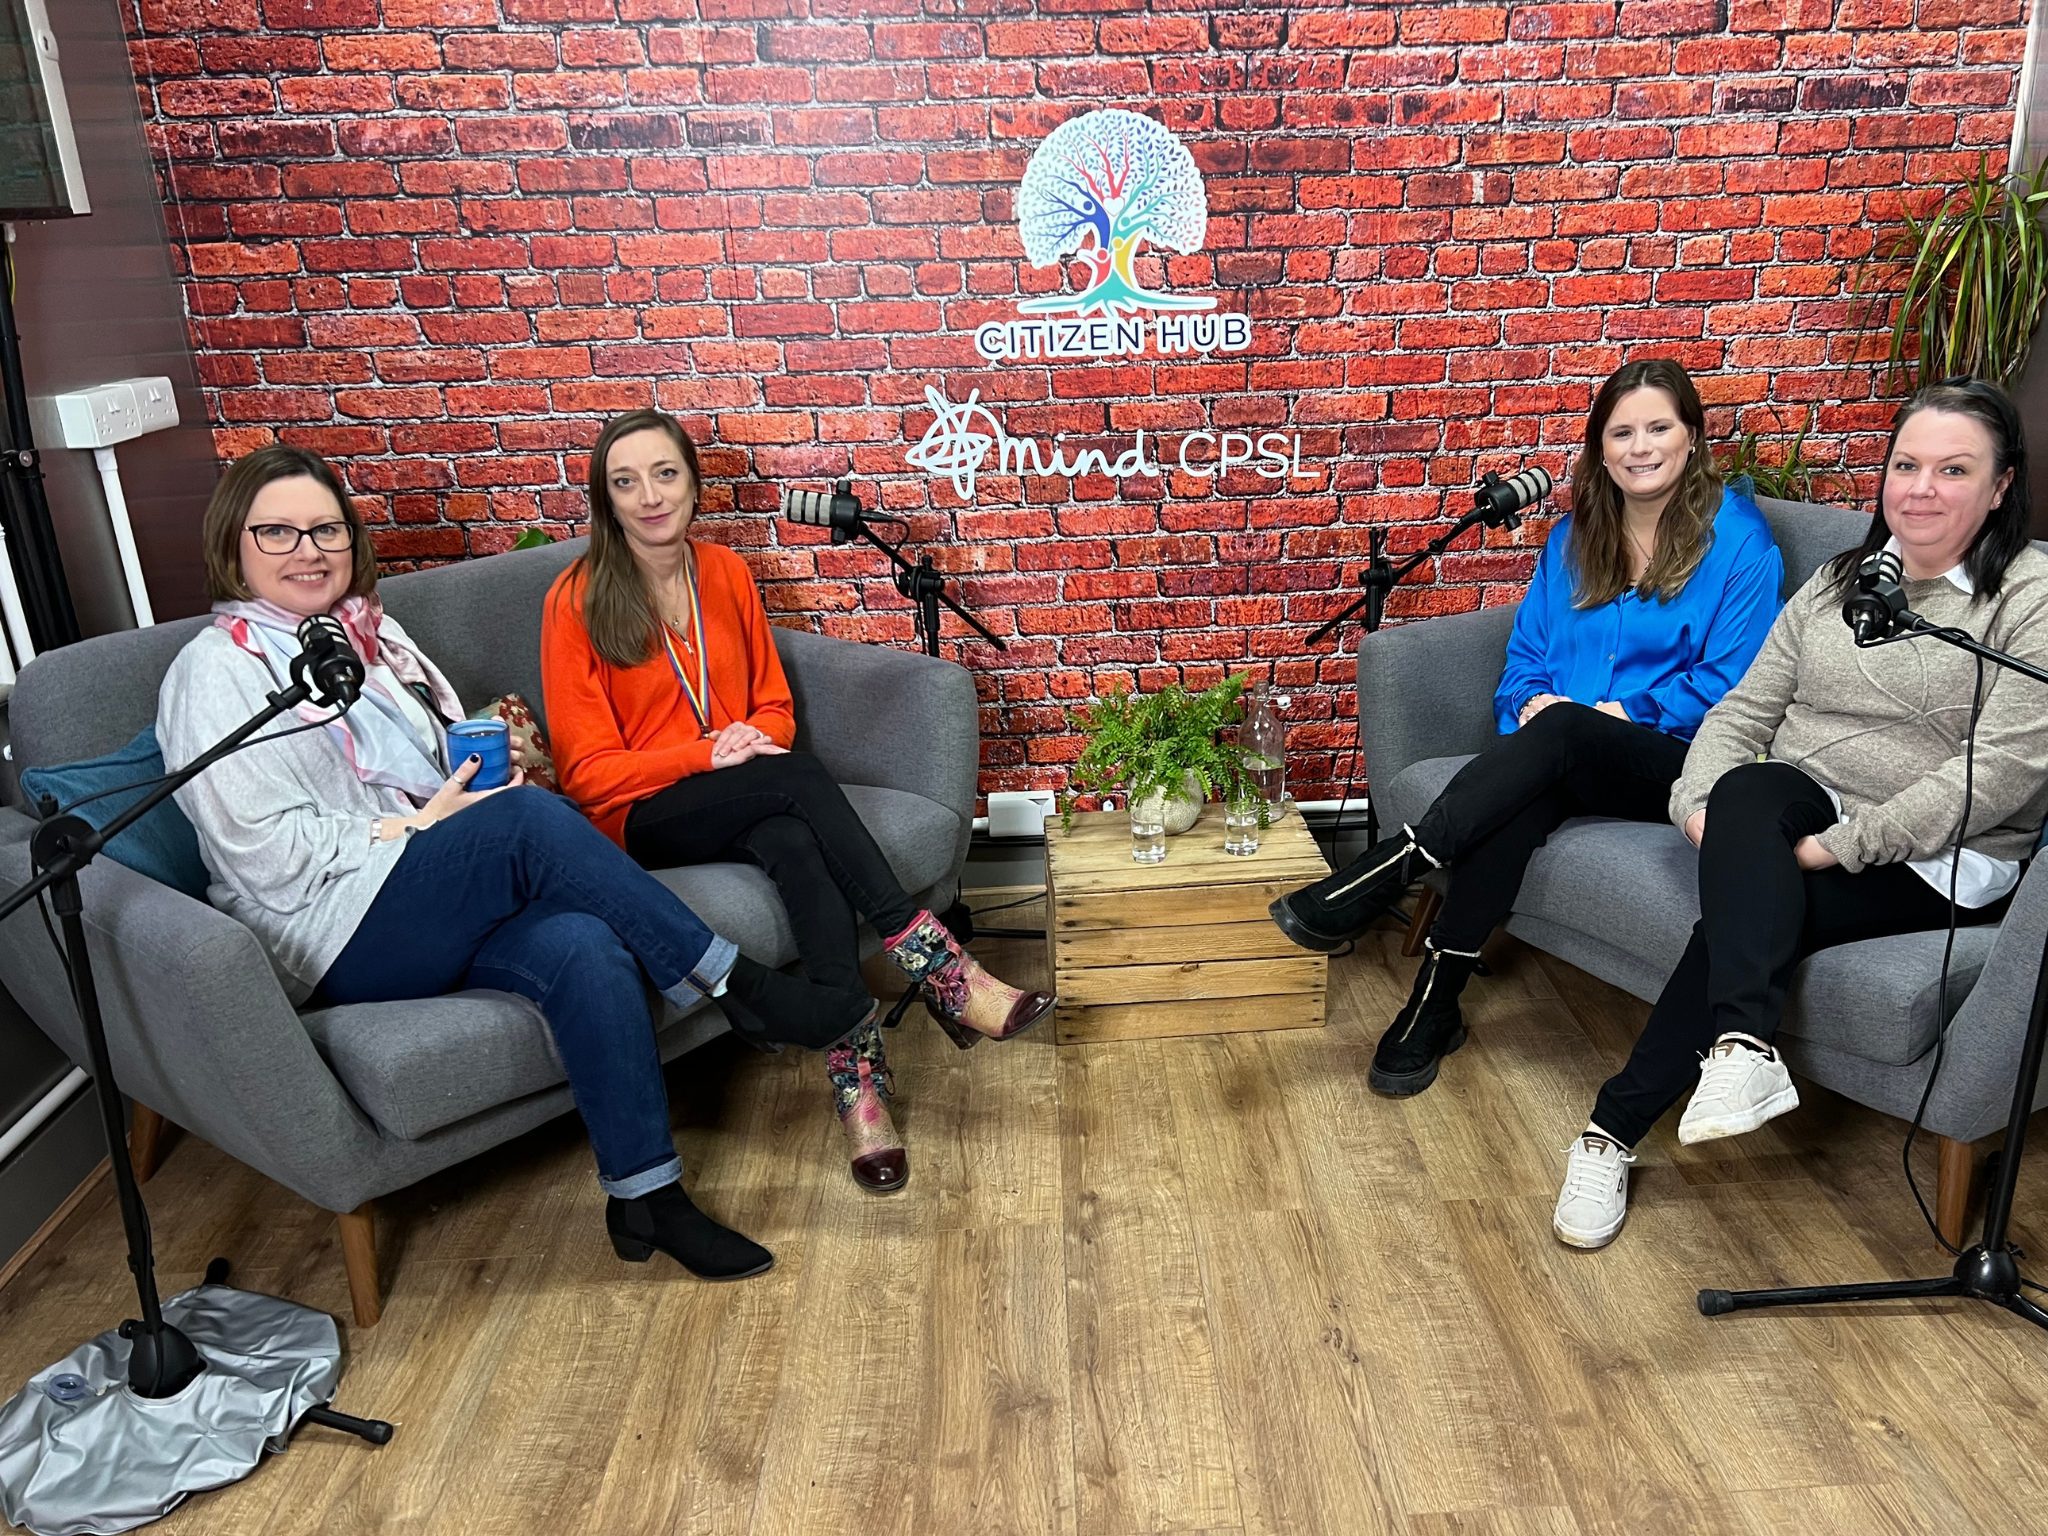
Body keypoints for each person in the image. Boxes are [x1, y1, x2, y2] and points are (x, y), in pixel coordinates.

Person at [159, 445, 879, 1283]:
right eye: (277, 533)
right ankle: (736, 984)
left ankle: (647, 1198)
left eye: (326, 530)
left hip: (423, 894)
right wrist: (422, 824)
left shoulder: (373, 637)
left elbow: (434, 770)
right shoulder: (213, 672)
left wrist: (459, 797)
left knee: (585, 946)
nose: (309, 551)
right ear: (234, 543)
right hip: (329, 928)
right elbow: (265, 858)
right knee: (531, 819)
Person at [1554, 378, 2048, 1249]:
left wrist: (1836, 848)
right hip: (1800, 806)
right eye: (1906, 465)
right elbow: (1744, 711)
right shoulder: (1839, 582)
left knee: (1738, 923)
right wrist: (1694, 799)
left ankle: (1609, 1132)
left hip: (1941, 856)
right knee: (1747, 788)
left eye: (1954, 470)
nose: (1921, 489)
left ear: (2001, 484)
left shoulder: (2031, 597)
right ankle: (1743, 1052)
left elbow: (1997, 775)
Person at [540, 409, 1053, 1195]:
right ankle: (941, 968)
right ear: (605, 500)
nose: (650, 496)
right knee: (799, 781)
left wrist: (749, 743)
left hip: (737, 791)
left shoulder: (724, 573)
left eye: (665, 474)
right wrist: (709, 753)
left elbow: (774, 708)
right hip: (640, 814)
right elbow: (586, 776)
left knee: (792, 837)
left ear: (694, 484)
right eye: (626, 481)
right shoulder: (575, 599)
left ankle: (859, 1090)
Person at [1270, 358, 1785, 1097]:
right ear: (1600, 447)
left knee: (1564, 737)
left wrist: (1607, 716)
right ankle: (1434, 1002)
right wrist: (1533, 705)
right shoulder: (1573, 537)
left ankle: (1391, 868)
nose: (1640, 447)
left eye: (1659, 428)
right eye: (1622, 433)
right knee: (1526, 790)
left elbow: (1732, 684)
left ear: (1693, 437)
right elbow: (1525, 659)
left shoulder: (1739, 543)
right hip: (1563, 752)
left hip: (1677, 762)